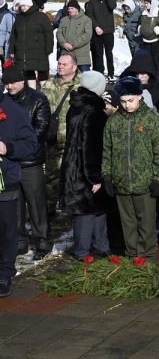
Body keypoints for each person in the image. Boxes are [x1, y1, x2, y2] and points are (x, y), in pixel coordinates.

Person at [102, 76, 159, 259]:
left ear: (140, 96)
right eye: (122, 101)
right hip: (122, 181)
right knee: (127, 221)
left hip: (145, 182)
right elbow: (107, 151)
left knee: (146, 221)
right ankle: (131, 253)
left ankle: (146, 255)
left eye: (130, 100)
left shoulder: (152, 120)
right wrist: (107, 176)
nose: (127, 105)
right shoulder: (114, 122)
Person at [59, 71, 111, 259]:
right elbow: (90, 146)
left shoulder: (77, 106)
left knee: (96, 209)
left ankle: (101, 246)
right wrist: (95, 177)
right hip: (85, 170)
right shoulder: (93, 112)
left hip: (74, 166)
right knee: (87, 211)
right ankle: (83, 251)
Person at [4, 65, 50, 259]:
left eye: (13, 82)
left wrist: (14, 145)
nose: (10, 86)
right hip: (11, 161)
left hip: (31, 161)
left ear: (22, 80)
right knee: (16, 205)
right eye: (6, 83)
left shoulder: (38, 100)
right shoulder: (5, 102)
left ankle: (42, 241)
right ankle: (20, 241)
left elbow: (40, 130)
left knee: (36, 203)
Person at [0, 81, 37, 297]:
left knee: (6, 230)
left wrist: (8, 148)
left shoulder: (13, 111)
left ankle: (4, 273)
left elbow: (31, 144)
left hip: (6, 182)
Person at [41, 52, 80, 215]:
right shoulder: (49, 84)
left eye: (64, 64)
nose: (60, 66)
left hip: (73, 141)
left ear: (74, 67)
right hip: (52, 139)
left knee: (73, 178)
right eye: (59, 64)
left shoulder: (82, 85)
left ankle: (72, 212)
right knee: (51, 178)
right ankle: (48, 212)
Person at [9, 0, 53, 86]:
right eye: (21, 6)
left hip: (40, 51)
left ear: (30, 5)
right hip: (25, 51)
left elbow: (48, 33)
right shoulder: (19, 18)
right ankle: (32, 92)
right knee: (29, 72)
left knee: (42, 72)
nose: (22, 8)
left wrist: (49, 48)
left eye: (24, 6)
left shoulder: (41, 16)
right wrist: (12, 50)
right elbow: (13, 35)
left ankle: (45, 92)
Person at [85, 0, 117, 80]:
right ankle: (100, 73)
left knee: (109, 53)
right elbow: (90, 14)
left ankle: (111, 73)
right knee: (98, 54)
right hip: (97, 31)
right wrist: (96, 27)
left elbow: (112, 6)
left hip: (108, 31)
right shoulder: (93, 0)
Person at [56, 0, 93, 71]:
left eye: (72, 8)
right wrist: (64, 44)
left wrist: (73, 45)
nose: (70, 10)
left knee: (85, 79)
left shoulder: (86, 20)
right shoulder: (64, 20)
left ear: (77, 9)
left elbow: (87, 35)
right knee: (67, 79)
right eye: (68, 8)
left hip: (81, 56)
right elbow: (59, 33)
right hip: (66, 54)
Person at [138, 0, 159, 78]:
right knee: (148, 60)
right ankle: (151, 77)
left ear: (152, 3)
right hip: (146, 41)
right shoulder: (144, 13)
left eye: (147, 3)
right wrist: (140, 29)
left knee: (157, 60)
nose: (146, 5)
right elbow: (140, 23)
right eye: (145, 3)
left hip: (156, 41)